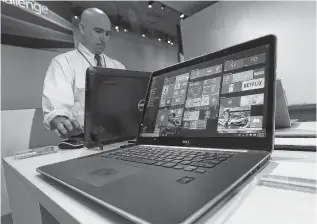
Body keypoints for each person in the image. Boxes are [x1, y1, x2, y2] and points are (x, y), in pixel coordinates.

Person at [42, 8, 125, 139]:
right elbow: (56, 108)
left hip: (118, 137)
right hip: (81, 139)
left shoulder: (118, 67)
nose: (103, 39)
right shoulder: (63, 63)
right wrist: (62, 122)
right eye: (98, 31)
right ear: (82, 28)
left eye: (107, 34)